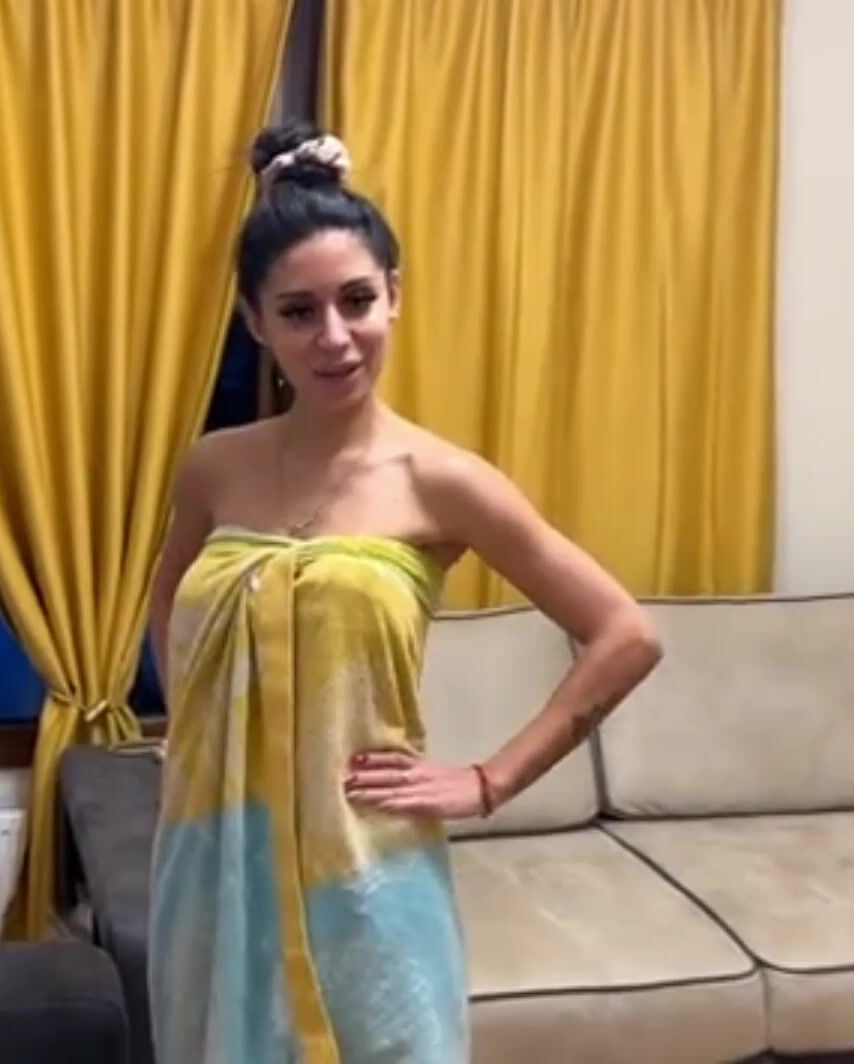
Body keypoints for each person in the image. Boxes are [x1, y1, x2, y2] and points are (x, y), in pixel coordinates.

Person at [146, 120, 663, 1064]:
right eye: (298, 311)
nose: (333, 337)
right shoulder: (214, 467)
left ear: (394, 295)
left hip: (365, 876)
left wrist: (490, 781)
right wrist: (190, 725)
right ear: (256, 322)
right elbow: (170, 594)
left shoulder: (441, 481)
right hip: (215, 861)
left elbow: (625, 634)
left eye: (356, 301)